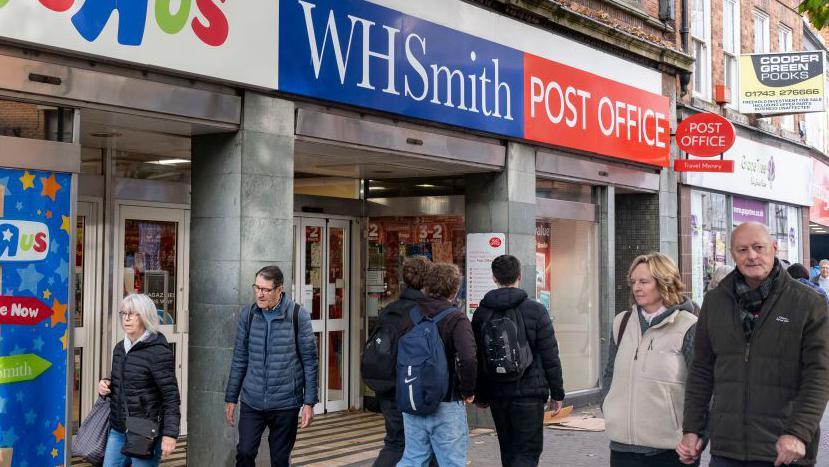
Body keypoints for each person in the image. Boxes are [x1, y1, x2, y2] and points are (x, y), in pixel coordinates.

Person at [678, 222, 829, 466]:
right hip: (727, 450)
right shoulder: (715, 302)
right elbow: (701, 370)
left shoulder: (808, 303)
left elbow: (819, 375)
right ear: (732, 254)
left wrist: (798, 432)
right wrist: (692, 429)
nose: (751, 256)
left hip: (784, 450)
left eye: (759, 247)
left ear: (774, 248)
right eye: (742, 249)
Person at [602, 253, 698, 467]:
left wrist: (696, 435)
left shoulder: (688, 326)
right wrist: (609, 408)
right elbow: (610, 373)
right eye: (633, 282)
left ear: (664, 282)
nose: (637, 287)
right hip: (622, 448)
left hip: (670, 452)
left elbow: (702, 388)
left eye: (644, 281)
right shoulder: (622, 322)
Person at [471, 254, 565, 467]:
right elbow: (550, 355)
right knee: (528, 452)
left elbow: (478, 357)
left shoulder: (482, 312)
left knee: (508, 450)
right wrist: (557, 393)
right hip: (530, 394)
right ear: (519, 276)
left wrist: (481, 394)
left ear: (494, 277)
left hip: (497, 393)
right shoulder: (536, 310)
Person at [224, 266, 319, 467]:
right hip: (252, 400)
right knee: (245, 452)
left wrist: (309, 402)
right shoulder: (248, 315)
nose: (259, 293)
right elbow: (240, 358)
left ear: (279, 290)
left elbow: (310, 362)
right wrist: (231, 397)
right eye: (256, 287)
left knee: (279, 459)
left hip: (286, 403)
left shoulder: (297, 315)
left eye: (265, 289)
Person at [398, 263, 477, 467]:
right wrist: (468, 390)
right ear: (455, 289)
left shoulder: (411, 314)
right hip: (447, 402)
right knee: (452, 462)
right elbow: (468, 358)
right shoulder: (456, 318)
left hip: (413, 398)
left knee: (413, 458)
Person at [98, 293, 180, 467]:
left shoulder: (157, 351)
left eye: (133, 314)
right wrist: (106, 385)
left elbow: (171, 396)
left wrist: (170, 434)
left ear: (145, 316)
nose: (126, 319)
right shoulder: (120, 348)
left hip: (144, 429)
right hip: (119, 427)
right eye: (124, 314)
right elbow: (123, 382)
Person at [370, 256, 432, 467]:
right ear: (428, 281)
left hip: (388, 387)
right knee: (425, 443)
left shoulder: (389, 310)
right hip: (415, 389)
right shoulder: (425, 312)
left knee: (396, 441)